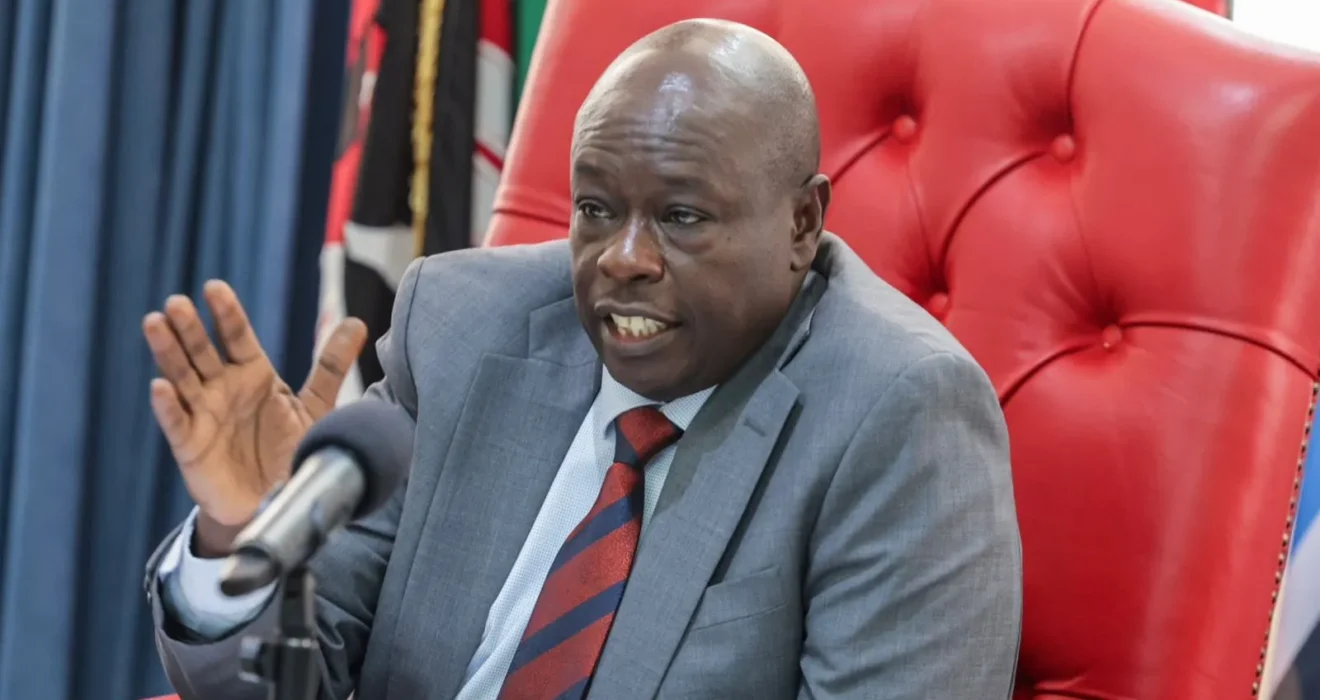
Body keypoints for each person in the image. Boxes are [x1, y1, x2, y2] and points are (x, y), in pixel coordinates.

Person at [141, 18, 1021, 700]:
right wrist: (247, 537)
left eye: (681, 217)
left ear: (802, 223)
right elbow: (274, 683)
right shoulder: (462, 330)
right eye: (596, 209)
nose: (623, 258)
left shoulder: (898, 413)